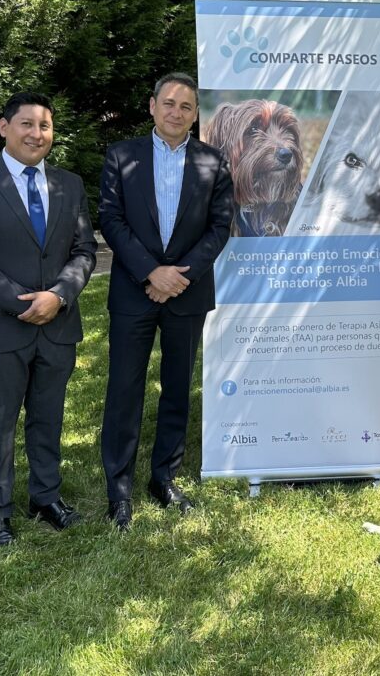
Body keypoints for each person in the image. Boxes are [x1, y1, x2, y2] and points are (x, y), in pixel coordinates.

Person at [0, 92, 97, 549]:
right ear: (3, 127)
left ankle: (45, 497)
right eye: (27, 124)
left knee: (48, 418)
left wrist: (58, 295)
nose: (37, 134)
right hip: (0, 329)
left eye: (45, 126)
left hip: (58, 325)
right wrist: (25, 303)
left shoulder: (69, 184)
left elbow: (84, 251)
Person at [99, 72, 233, 529]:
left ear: (196, 115)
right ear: (152, 105)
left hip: (187, 294)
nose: (177, 113)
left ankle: (164, 477)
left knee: (177, 388)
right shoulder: (122, 156)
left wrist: (180, 276)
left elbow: (220, 227)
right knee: (124, 390)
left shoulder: (214, 161)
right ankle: (118, 490)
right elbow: (111, 220)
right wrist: (150, 272)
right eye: (169, 103)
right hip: (134, 292)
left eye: (187, 107)